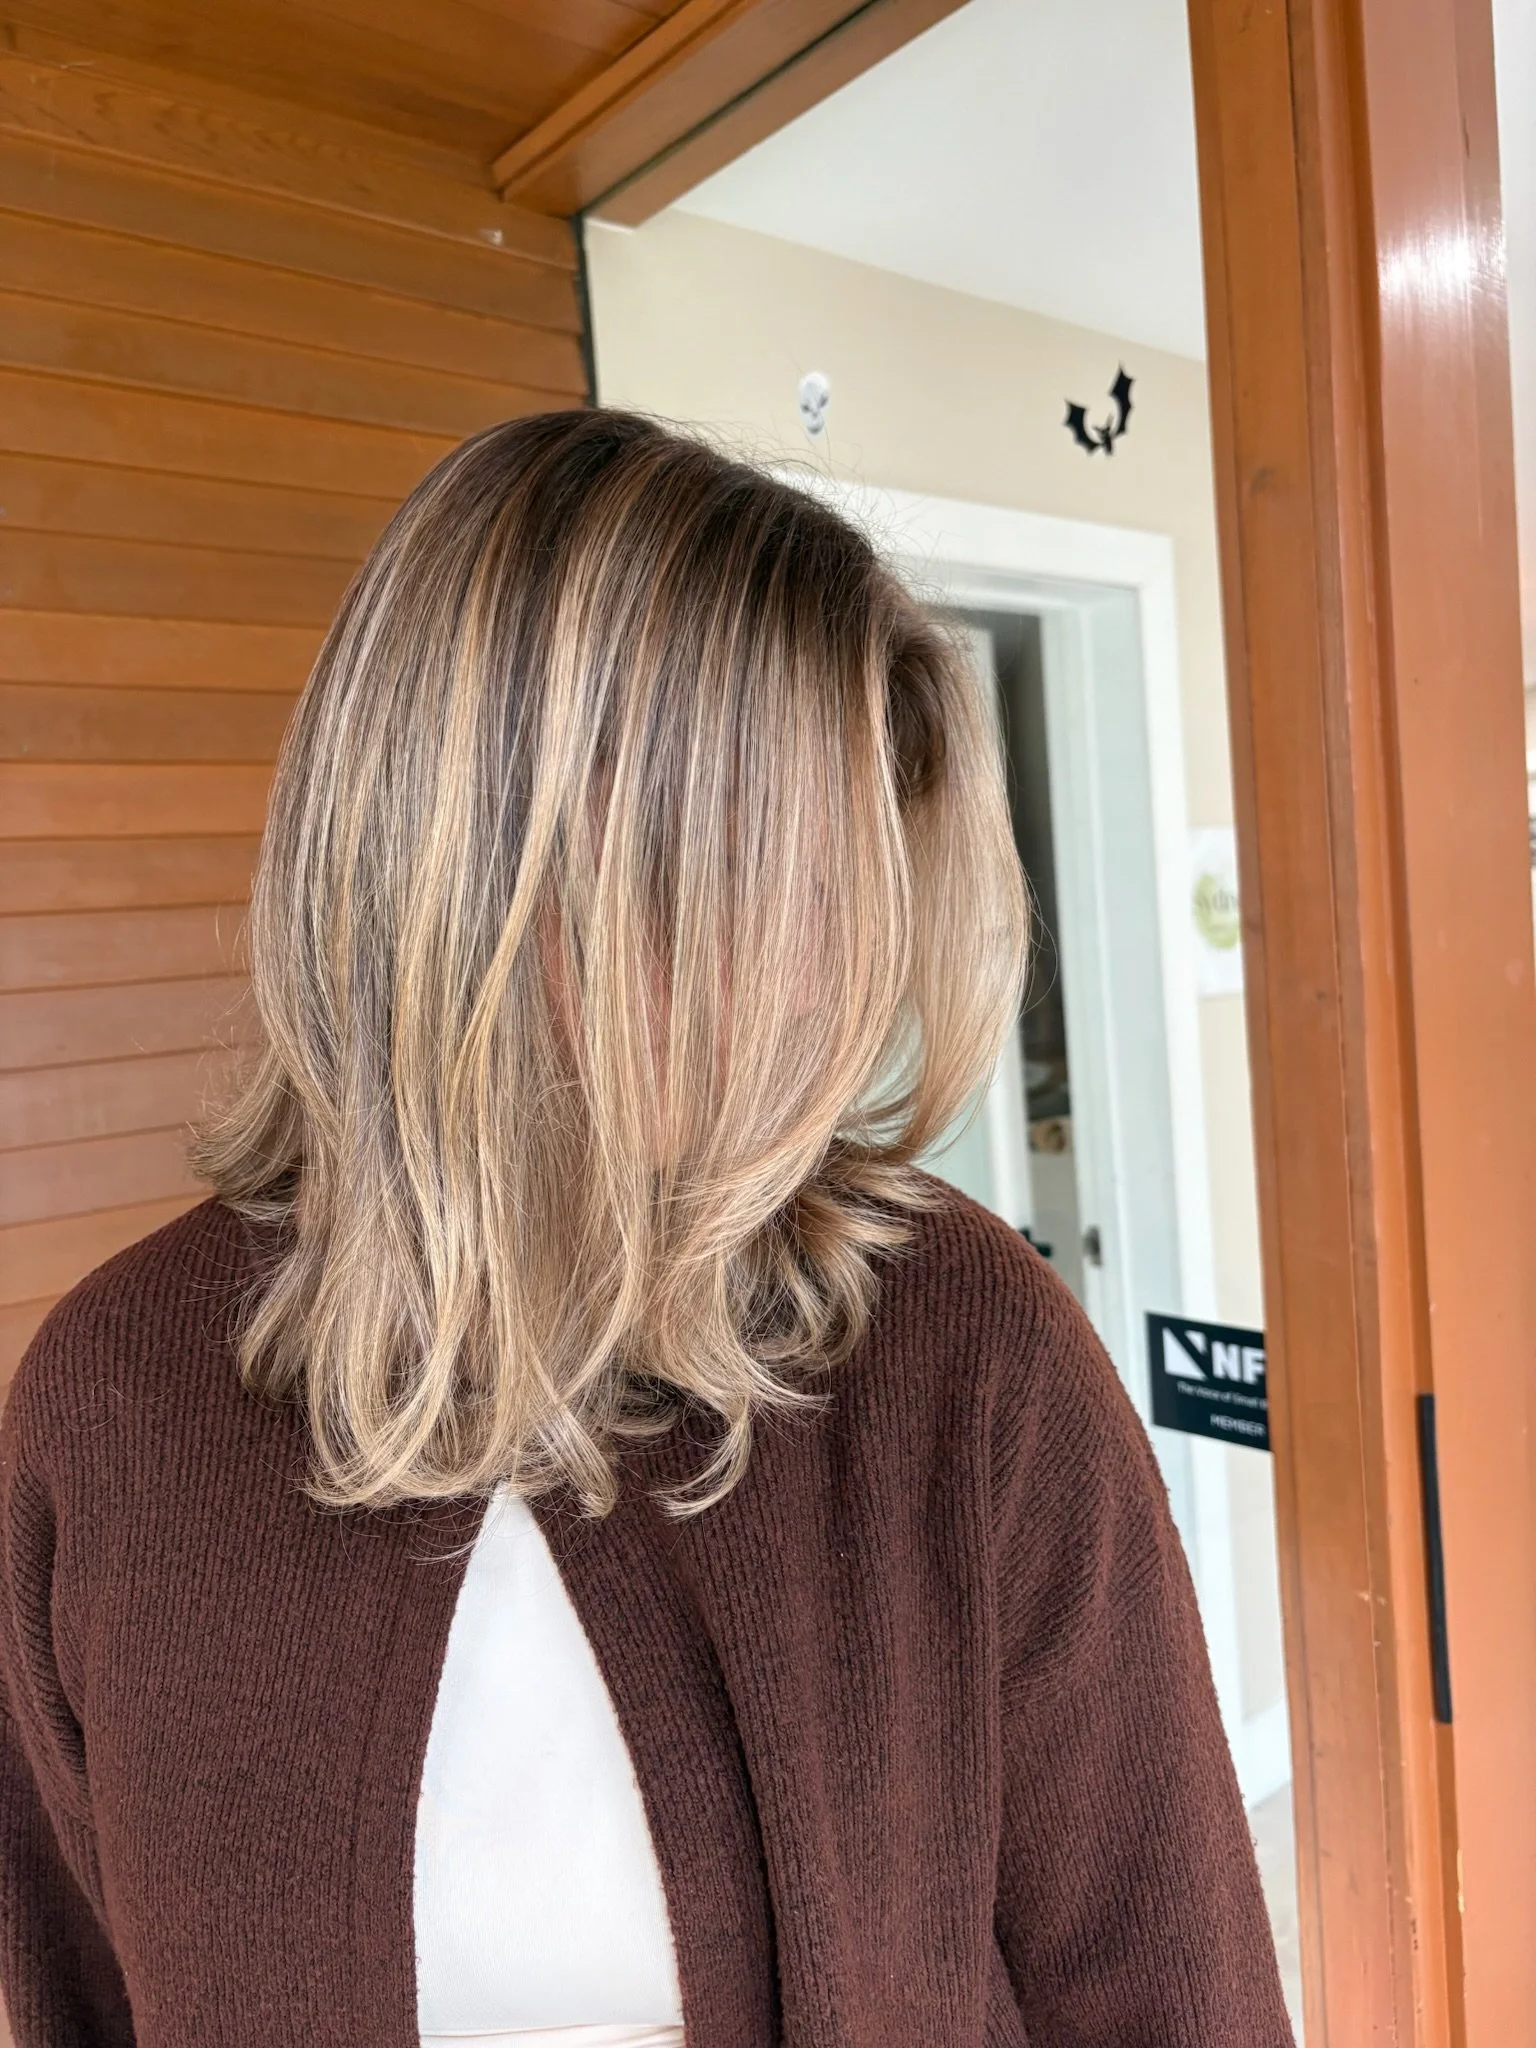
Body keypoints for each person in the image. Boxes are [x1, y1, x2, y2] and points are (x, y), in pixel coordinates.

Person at [0, 410, 1293, 2047]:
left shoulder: (966, 1355)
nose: (831, 1003)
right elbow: (75, 1993)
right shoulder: (112, 1405)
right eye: (766, 897)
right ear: (471, 866)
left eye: (851, 904)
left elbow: (1172, 1987)